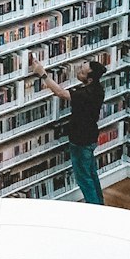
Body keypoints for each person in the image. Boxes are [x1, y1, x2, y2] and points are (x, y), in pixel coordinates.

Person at [28, 53, 106, 204]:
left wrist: (42, 74)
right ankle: (99, 205)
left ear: (89, 79)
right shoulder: (98, 89)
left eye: (82, 72)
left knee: (84, 179)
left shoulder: (85, 94)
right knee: (91, 174)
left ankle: (95, 209)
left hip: (80, 141)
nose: (78, 72)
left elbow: (60, 93)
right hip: (91, 138)